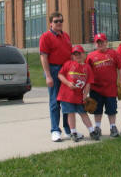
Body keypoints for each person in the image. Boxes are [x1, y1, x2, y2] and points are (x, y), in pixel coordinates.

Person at [39, 11, 76, 142]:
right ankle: (55, 130)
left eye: (61, 21)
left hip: (67, 70)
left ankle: (68, 129)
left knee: (67, 101)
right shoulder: (45, 37)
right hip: (54, 70)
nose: (59, 23)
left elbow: (70, 54)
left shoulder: (66, 36)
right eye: (56, 21)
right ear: (50, 23)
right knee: (55, 101)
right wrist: (48, 75)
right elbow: (43, 56)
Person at [57, 45, 100, 142]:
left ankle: (92, 131)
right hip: (67, 96)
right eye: (75, 54)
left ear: (84, 54)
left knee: (83, 114)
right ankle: (73, 132)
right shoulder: (68, 64)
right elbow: (60, 75)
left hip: (79, 96)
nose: (77, 56)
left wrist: (85, 96)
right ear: (72, 56)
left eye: (79, 53)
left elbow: (88, 83)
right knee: (71, 114)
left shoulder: (87, 67)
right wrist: (68, 83)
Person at [86, 33, 121, 138]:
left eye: (102, 42)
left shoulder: (114, 53)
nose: (100, 44)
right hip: (96, 88)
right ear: (95, 44)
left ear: (106, 42)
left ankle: (113, 127)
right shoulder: (90, 56)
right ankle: (97, 127)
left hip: (110, 88)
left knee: (111, 109)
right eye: (98, 42)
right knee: (97, 109)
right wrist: (86, 89)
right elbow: (87, 72)